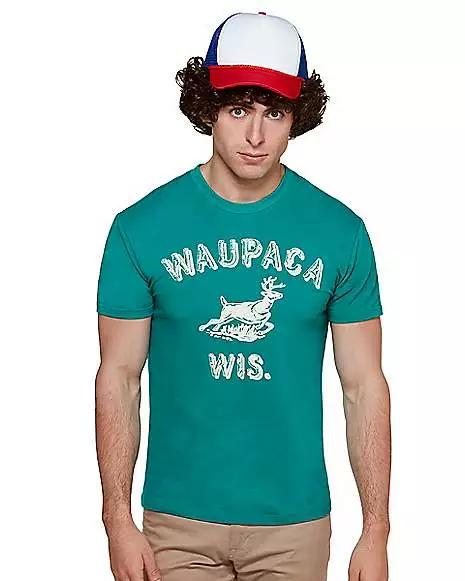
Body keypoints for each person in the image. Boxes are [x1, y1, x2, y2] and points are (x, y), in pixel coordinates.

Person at [95, 11, 391, 581]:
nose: (255, 135)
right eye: (238, 110)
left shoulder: (340, 233)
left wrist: (375, 530)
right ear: (208, 108)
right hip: (176, 525)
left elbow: (364, 385)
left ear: (296, 117)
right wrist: (117, 522)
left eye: (273, 113)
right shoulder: (140, 229)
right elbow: (119, 378)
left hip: (295, 525)